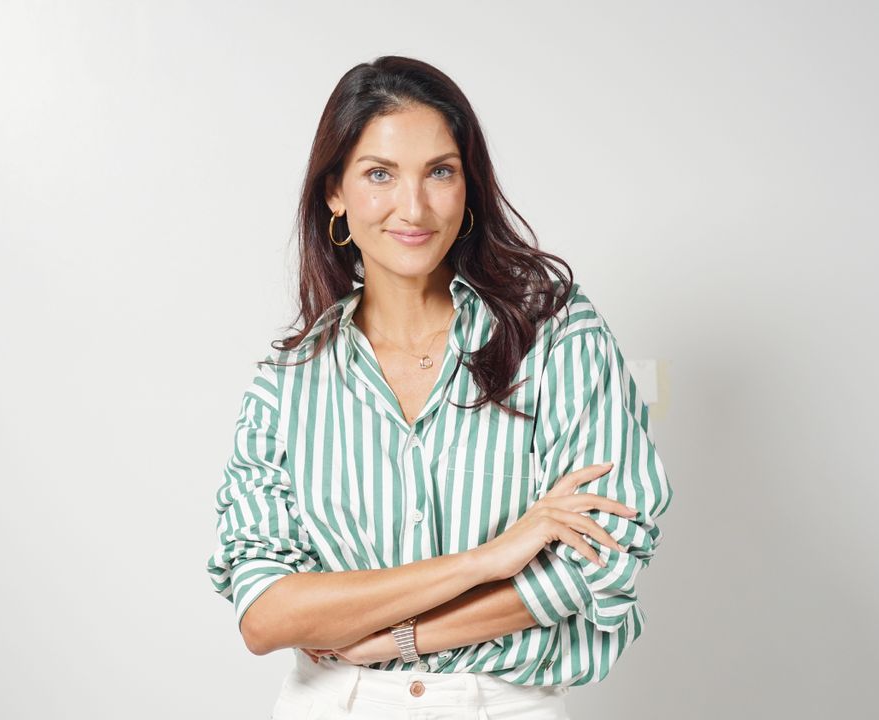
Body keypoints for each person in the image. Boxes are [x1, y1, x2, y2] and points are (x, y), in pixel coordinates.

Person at [205, 55, 674, 720]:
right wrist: (486, 561)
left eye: (440, 172)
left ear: (468, 185)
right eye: (380, 174)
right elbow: (266, 614)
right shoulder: (288, 384)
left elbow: (600, 556)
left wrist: (396, 639)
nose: (414, 207)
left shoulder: (556, 336)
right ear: (335, 192)